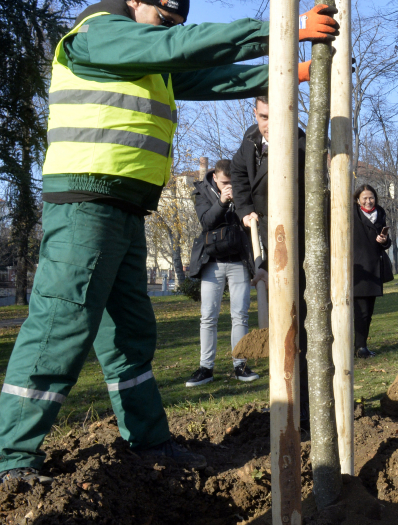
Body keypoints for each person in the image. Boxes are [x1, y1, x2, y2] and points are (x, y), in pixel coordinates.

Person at [0, 0, 337, 483]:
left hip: (123, 208)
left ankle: (149, 440)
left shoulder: (146, 59)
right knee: (61, 323)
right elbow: (182, 46)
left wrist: (288, 70)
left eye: (178, 22)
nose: (172, 29)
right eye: (165, 18)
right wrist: (285, 31)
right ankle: (12, 458)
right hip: (85, 205)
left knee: (130, 335)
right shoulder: (99, 35)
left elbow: (209, 76)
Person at [230, 96, 312, 429]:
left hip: (297, 241)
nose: (268, 124)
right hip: (264, 236)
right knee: (276, 326)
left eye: (275, 117)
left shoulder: (302, 144)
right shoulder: (251, 140)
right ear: (255, 113)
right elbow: (237, 174)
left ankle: (304, 409)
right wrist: (245, 208)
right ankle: (282, 403)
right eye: (264, 116)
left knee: (298, 328)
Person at [186, 159, 260, 387]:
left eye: (231, 182)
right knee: (208, 317)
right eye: (224, 182)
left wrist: (239, 202)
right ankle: (205, 368)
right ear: (215, 178)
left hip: (238, 260)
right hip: (212, 262)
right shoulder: (201, 192)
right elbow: (206, 222)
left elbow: (247, 219)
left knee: (241, 315)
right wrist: (221, 201)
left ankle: (241, 365)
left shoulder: (242, 190)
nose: (228, 186)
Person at [353, 185, 392, 359]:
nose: (368, 201)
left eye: (371, 198)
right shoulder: (352, 212)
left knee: (368, 311)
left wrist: (383, 240)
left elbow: (386, 243)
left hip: (374, 267)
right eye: (365, 198)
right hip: (358, 268)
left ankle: (362, 346)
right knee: (360, 311)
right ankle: (359, 347)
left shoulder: (380, 213)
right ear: (357, 200)